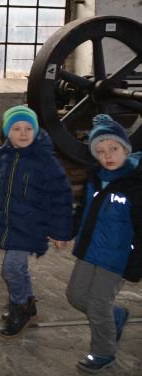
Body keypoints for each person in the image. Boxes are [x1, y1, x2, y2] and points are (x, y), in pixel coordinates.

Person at [0, 104, 73, 338]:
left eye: (28, 128)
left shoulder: (45, 161)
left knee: (11, 268)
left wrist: (60, 231)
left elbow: (62, 196)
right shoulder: (1, 158)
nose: (23, 133)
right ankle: (28, 304)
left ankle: (20, 307)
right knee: (19, 268)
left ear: (35, 131)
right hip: (9, 223)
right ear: (7, 132)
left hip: (32, 226)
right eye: (16, 128)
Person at [66, 114, 141, 373]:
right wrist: (69, 231)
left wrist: (135, 263)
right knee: (75, 296)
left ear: (125, 149)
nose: (107, 155)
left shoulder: (135, 185)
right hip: (89, 251)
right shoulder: (95, 178)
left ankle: (103, 352)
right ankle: (115, 315)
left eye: (113, 148)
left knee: (98, 304)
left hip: (116, 259)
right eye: (100, 151)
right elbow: (83, 211)